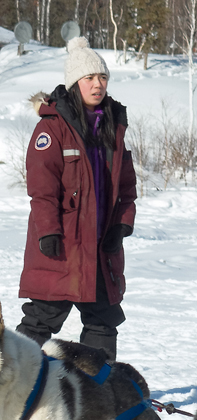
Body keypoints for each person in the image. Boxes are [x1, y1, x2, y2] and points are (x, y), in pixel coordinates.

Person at [17, 37, 136, 361]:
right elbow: (42, 189)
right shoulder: (52, 129)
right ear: (74, 84)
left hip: (100, 250)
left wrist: (121, 226)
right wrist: (48, 231)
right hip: (63, 245)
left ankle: (100, 393)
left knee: (103, 321)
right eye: (89, 78)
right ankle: (8, 384)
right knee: (42, 318)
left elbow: (126, 188)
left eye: (102, 78)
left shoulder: (113, 127)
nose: (97, 85)